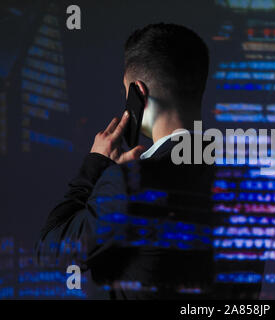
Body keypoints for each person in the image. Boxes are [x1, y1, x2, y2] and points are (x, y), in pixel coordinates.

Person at [35, 23, 215, 299]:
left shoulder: (129, 182)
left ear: (138, 94)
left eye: (125, 93)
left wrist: (95, 165)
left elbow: (51, 250)